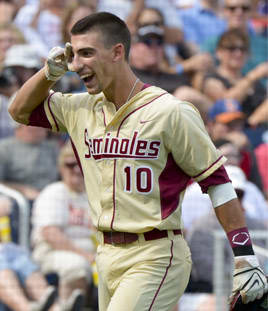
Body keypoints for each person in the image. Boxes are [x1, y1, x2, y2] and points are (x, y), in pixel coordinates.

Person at [8, 12, 268, 311]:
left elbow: (218, 183)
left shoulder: (170, 111)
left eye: (87, 53)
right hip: (105, 253)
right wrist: (49, 73)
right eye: (74, 54)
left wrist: (245, 255)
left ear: (118, 52)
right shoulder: (79, 107)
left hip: (155, 253)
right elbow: (19, 111)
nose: (76, 64)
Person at [31, 140, 97, 311]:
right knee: (76, 265)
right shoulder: (54, 193)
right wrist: (87, 256)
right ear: (61, 168)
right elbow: (51, 235)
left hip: (91, 253)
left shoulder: (93, 196)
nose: (76, 169)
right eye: (70, 164)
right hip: (52, 252)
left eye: (80, 165)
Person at [0, 197, 57, 311]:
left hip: (6, 249)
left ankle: (56, 308)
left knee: (21, 259)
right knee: (3, 264)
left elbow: (5, 204)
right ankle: (27, 309)